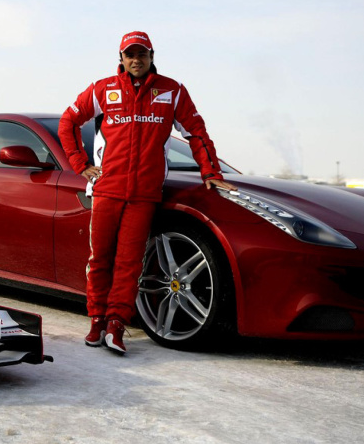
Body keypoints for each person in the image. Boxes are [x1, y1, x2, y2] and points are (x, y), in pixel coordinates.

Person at [58, 30, 236, 355]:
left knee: (129, 263)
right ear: (121, 59)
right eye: (130, 55)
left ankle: (116, 325)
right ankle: (97, 320)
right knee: (99, 259)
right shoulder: (103, 89)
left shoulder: (173, 91)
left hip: (144, 194)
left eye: (142, 54)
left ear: (152, 57)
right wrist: (80, 165)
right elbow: (68, 122)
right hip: (108, 189)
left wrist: (211, 172)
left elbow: (196, 132)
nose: (136, 60)